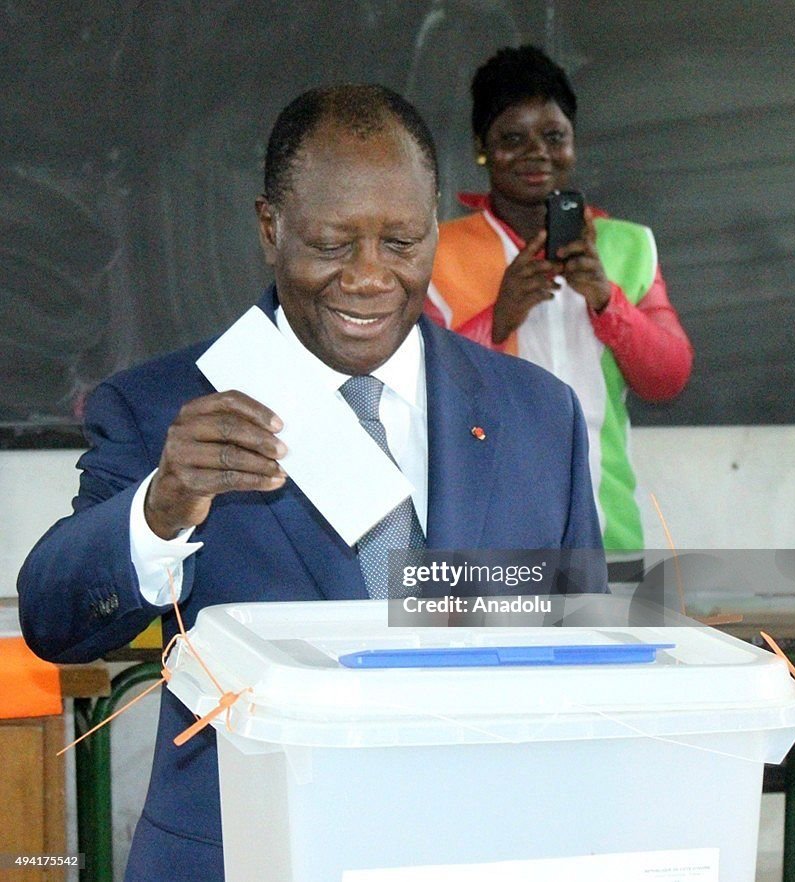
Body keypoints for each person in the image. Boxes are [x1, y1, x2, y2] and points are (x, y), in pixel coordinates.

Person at [18, 84, 604, 881]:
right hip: (245, 855)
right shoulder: (166, 407)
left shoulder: (537, 415)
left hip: (477, 852)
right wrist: (159, 509)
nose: (369, 278)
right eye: (332, 244)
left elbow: (581, 657)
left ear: (436, 227)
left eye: (401, 243)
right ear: (271, 229)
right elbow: (56, 619)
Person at [426, 45, 694, 554]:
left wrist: (607, 303)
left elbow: (669, 377)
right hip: (483, 538)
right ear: (482, 146)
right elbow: (416, 391)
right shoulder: (439, 251)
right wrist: (497, 320)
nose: (537, 154)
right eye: (512, 138)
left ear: (573, 142)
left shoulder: (627, 245)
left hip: (607, 524)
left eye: (554, 136)